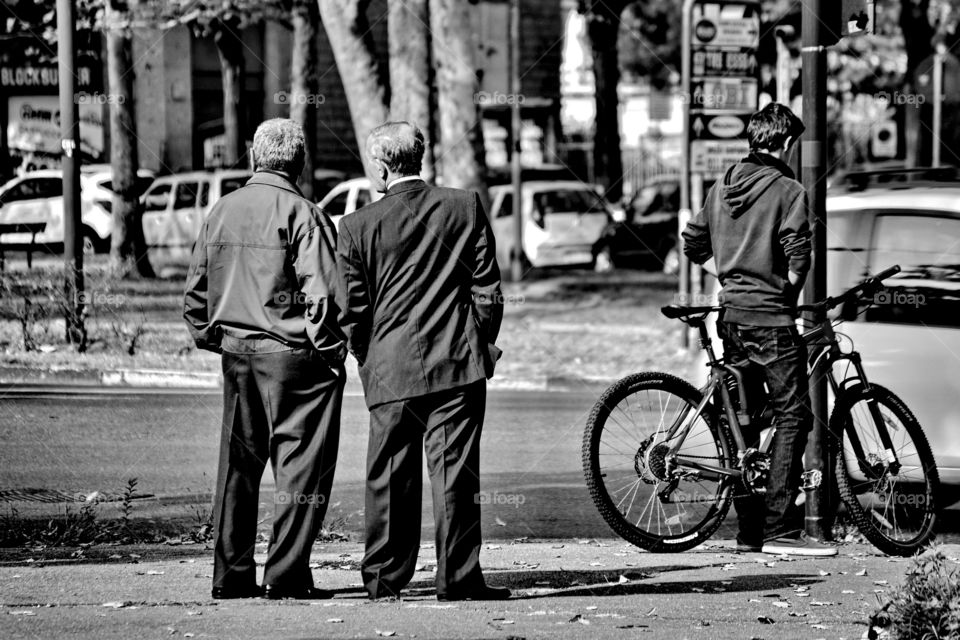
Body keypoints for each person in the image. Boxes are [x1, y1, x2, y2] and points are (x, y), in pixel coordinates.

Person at [336, 121, 509, 601]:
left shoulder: (355, 227)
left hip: (390, 369)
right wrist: (479, 345)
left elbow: (349, 310)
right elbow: (488, 292)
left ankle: (383, 579)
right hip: (457, 362)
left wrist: (366, 356)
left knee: (389, 476)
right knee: (455, 475)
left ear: (382, 165)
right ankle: (457, 579)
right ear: (420, 156)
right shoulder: (464, 206)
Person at [183, 118, 347, 599]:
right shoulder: (305, 213)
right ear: (299, 162)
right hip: (294, 357)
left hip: (237, 354)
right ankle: (287, 574)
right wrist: (331, 354)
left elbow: (195, 295)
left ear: (255, 157)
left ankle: (231, 575)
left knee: (238, 467)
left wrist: (215, 337)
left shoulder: (222, 210)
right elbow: (324, 299)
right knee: (300, 470)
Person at [681, 102, 837, 556]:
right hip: (770, 319)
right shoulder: (788, 190)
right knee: (795, 415)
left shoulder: (722, 184)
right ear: (786, 143)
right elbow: (798, 256)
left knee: (744, 420)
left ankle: (749, 531)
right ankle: (778, 528)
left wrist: (729, 277)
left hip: (730, 318)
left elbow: (693, 244)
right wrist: (781, 292)